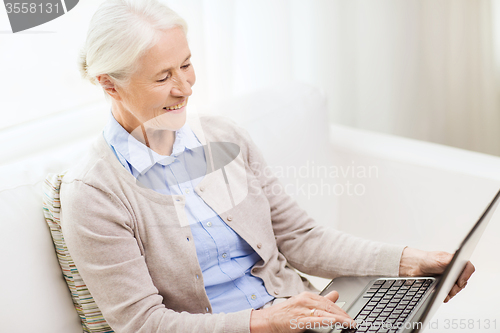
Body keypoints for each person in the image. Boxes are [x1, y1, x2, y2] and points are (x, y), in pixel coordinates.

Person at [60, 0, 475, 332]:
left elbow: (300, 237)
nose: (185, 88)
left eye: (186, 64)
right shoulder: (95, 193)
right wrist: (264, 323)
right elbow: (142, 324)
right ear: (109, 84)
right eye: (163, 77)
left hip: (309, 318)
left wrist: (406, 261)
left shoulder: (225, 138)